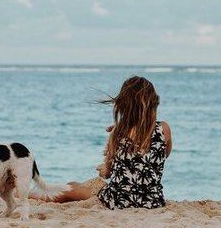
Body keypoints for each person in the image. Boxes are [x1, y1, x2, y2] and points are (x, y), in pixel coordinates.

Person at [46, 76, 172, 208]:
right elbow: (164, 155)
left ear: (123, 105)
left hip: (118, 201)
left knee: (71, 187)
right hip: (153, 202)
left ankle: (26, 195)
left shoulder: (118, 133)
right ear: (153, 103)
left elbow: (107, 173)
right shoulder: (164, 129)